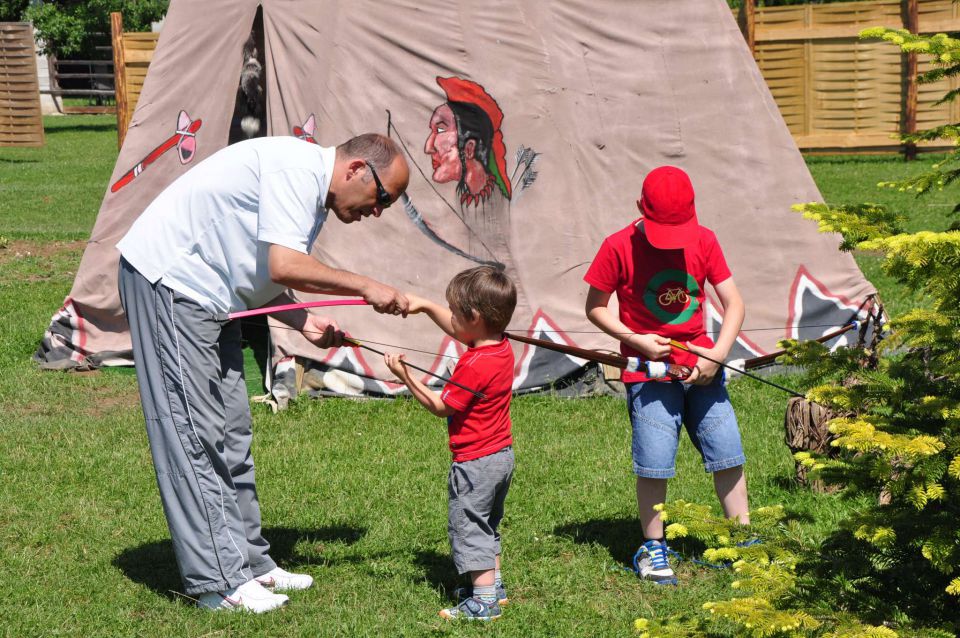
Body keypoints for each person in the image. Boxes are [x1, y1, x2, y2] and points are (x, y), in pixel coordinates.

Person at [116, 132, 410, 612]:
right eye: (382, 198)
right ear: (358, 169)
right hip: (171, 283)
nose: (377, 211)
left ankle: (252, 563)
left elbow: (261, 269)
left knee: (231, 431)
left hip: (219, 300)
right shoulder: (296, 172)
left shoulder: (310, 187)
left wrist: (304, 320)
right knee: (195, 434)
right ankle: (219, 583)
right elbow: (285, 264)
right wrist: (366, 287)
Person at [583, 165, 749, 586]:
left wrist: (716, 355)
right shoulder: (617, 246)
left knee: (726, 448)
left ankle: (743, 538)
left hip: (701, 370)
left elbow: (734, 304)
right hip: (649, 374)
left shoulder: (705, 241)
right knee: (655, 459)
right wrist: (636, 339)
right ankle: (653, 546)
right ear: (641, 210)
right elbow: (596, 307)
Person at [383, 266, 516, 621]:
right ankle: (495, 586)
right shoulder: (501, 347)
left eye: (454, 312)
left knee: (470, 526)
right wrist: (425, 306)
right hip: (501, 456)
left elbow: (442, 407)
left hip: (475, 463)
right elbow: (463, 328)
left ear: (473, 317)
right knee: (487, 523)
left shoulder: (473, 364)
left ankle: (484, 602)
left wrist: (406, 377)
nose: (451, 318)